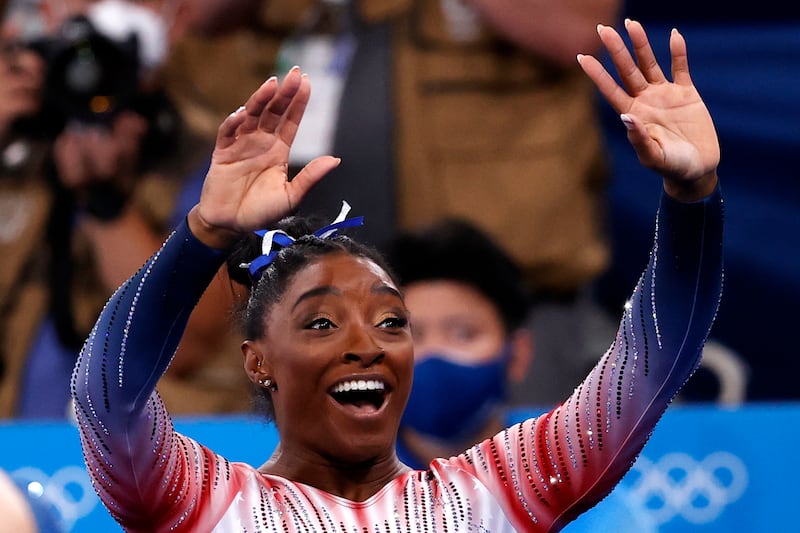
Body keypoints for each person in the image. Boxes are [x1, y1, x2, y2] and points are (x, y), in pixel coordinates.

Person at [72, 20, 723, 530]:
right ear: (258, 361)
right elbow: (106, 396)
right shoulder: (206, 505)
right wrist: (205, 234)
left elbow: (652, 360)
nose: (368, 344)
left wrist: (692, 199)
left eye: (390, 319)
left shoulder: (492, 497)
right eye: (322, 321)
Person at [0, 0, 250, 418]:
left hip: (139, 465)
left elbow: (186, 345)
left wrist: (106, 206)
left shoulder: (213, 155)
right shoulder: (22, 146)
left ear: (176, 16)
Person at [384, 218, 535, 469]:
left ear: (518, 354)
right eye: (406, 334)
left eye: (464, 334)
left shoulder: (591, 474)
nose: (434, 353)